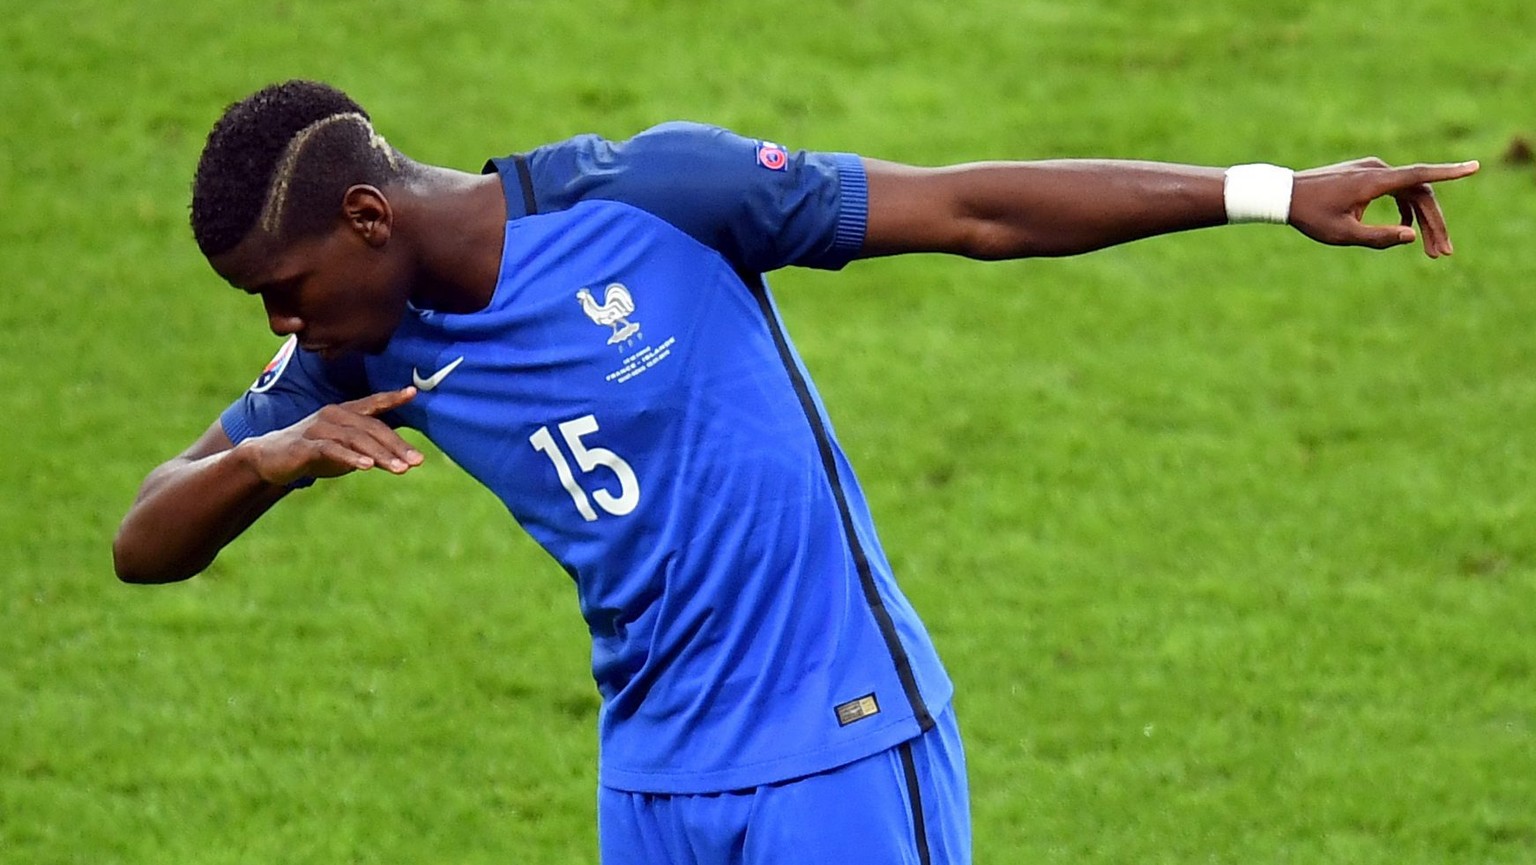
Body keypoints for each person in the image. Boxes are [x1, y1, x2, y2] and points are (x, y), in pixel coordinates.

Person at [113, 79, 1477, 864]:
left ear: (367, 218)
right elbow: (143, 537)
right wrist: (276, 456)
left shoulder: (647, 198)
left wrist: (1263, 189)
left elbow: (970, 207)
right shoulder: (357, 349)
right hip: (647, 780)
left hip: (838, 747)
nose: (280, 329)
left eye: (284, 293)